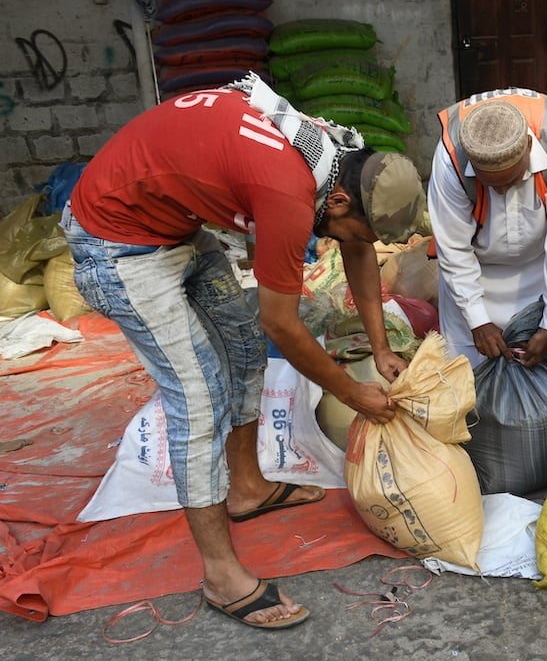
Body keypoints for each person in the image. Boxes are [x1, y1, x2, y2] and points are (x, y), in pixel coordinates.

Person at [61, 73, 426, 630]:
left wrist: (380, 348)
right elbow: (280, 322)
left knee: (242, 347)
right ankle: (219, 574)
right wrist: (353, 392)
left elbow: (356, 246)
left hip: (172, 227)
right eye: (354, 227)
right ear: (341, 199)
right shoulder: (288, 189)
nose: (355, 239)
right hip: (116, 242)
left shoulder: (343, 156)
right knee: (198, 397)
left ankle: (248, 488)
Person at [427, 88, 547, 392]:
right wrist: (477, 321)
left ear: (528, 146)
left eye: (511, 181)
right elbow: (454, 250)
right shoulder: (451, 158)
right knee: (468, 388)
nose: (500, 192)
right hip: (478, 274)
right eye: (489, 184)